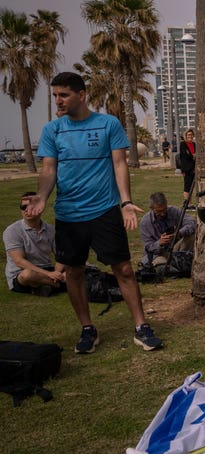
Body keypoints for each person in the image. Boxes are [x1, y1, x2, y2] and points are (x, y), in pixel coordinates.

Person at [28, 71, 164, 353]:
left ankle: (141, 326)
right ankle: (87, 329)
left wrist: (125, 202)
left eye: (63, 95)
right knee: (74, 273)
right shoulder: (52, 130)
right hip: (69, 215)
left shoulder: (107, 125)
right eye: (55, 96)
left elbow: (119, 165)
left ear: (81, 95)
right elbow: (49, 169)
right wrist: (41, 196)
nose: (58, 101)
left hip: (104, 211)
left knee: (124, 269)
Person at [4, 191, 66, 296]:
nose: (26, 210)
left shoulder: (51, 230)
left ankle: (43, 286)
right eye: (23, 207)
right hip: (21, 273)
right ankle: (58, 285)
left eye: (30, 207)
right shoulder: (12, 231)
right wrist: (49, 274)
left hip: (46, 268)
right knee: (28, 275)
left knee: (74, 270)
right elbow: (19, 261)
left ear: (40, 208)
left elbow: (60, 255)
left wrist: (57, 272)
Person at [139, 192, 196, 268]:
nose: (162, 214)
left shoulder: (174, 211)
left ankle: (179, 262)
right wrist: (160, 243)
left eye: (164, 210)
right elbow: (148, 247)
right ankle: (179, 263)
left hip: (176, 249)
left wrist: (179, 233)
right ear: (151, 208)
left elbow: (192, 222)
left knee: (192, 235)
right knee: (160, 265)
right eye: (159, 211)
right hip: (158, 255)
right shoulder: (145, 222)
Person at [177, 129, 196, 203]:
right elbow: (186, 155)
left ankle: (190, 204)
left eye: (191, 134)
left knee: (191, 187)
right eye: (188, 135)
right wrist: (193, 156)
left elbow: (194, 154)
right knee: (187, 187)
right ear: (186, 136)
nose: (190, 136)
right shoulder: (183, 144)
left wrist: (193, 156)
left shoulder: (194, 144)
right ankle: (186, 204)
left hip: (193, 168)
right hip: (186, 169)